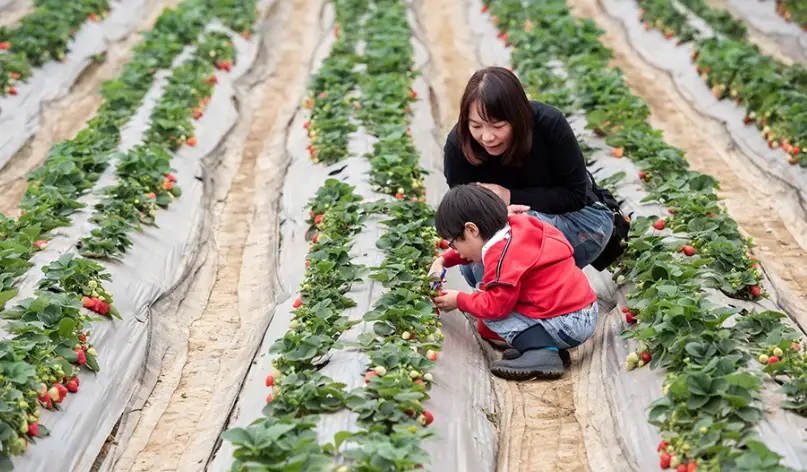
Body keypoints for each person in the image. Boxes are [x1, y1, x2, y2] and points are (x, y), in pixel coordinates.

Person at [442, 65, 615, 290]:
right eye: (476, 126)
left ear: (518, 117)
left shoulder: (548, 124)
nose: (486, 136)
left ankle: (555, 307)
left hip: (580, 220)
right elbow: (462, 216)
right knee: (475, 264)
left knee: (517, 235)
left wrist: (508, 196)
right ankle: (520, 306)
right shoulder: (460, 145)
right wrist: (495, 214)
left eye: (498, 126)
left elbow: (575, 196)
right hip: (507, 230)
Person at [430, 184, 599, 379]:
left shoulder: (501, 257)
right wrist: (443, 260)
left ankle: (541, 352)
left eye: (453, 243)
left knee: (488, 308)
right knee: (492, 302)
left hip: (566, 324)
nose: (455, 250)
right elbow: (470, 250)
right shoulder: (518, 227)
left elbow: (495, 307)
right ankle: (550, 349)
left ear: (471, 229)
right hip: (584, 311)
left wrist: (459, 300)